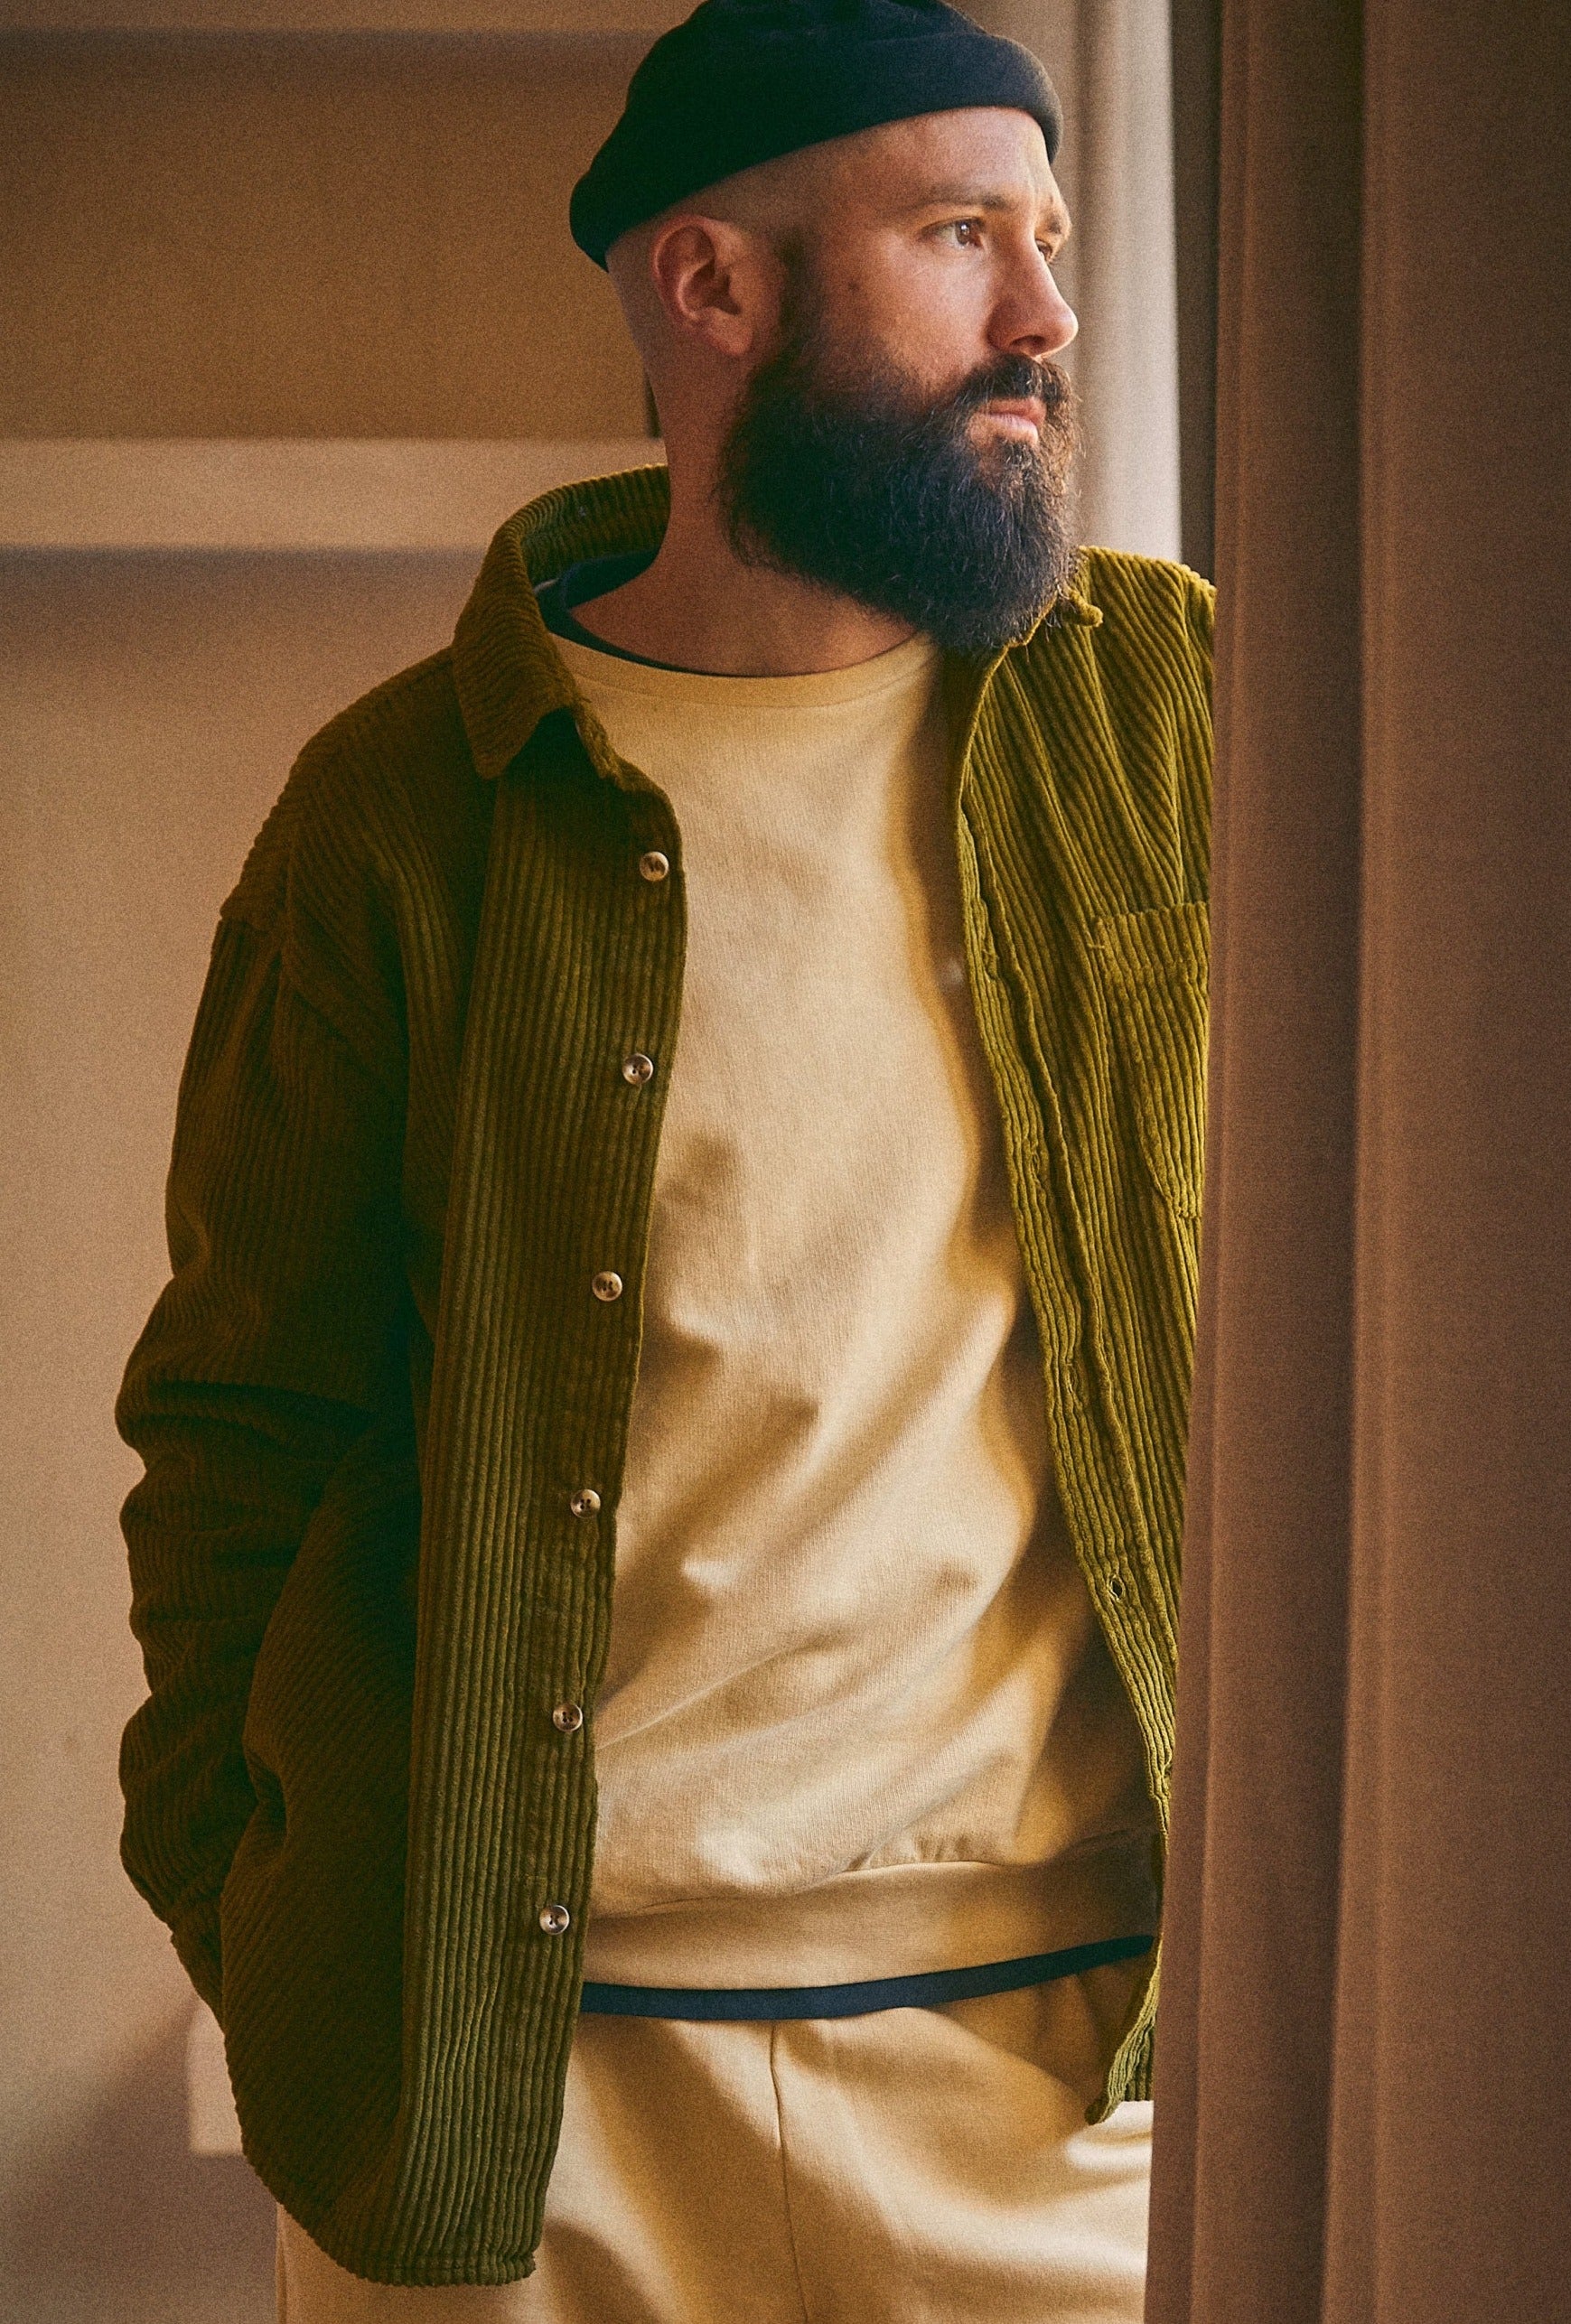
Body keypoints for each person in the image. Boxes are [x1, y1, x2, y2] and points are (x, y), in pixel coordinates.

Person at [112, 2, 1212, 2313]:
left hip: (1072, 2102)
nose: (1047, 312)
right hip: (521, 2118)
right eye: (961, 236)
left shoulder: (1169, 712)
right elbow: (240, 1430)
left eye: (1051, 238)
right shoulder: (408, 810)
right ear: (713, 287)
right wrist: (261, 1919)